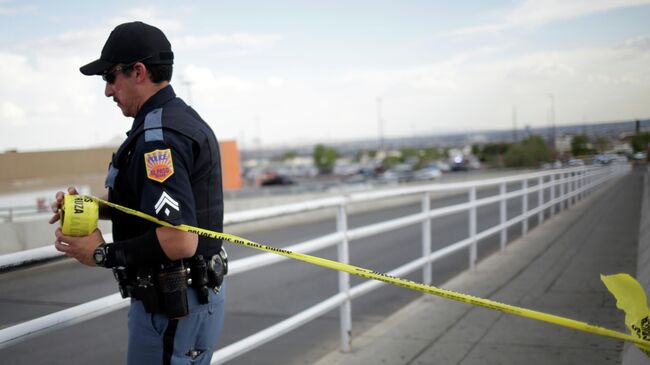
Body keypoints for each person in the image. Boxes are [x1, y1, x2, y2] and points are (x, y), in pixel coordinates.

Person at [49, 21, 226, 365]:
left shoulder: (159, 138)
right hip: (195, 299)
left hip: (172, 308)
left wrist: (101, 253)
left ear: (139, 72)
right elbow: (155, 208)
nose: (107, 91)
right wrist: (89, 208)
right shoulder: (182, 119)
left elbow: (179, 239)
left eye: (110, 77)